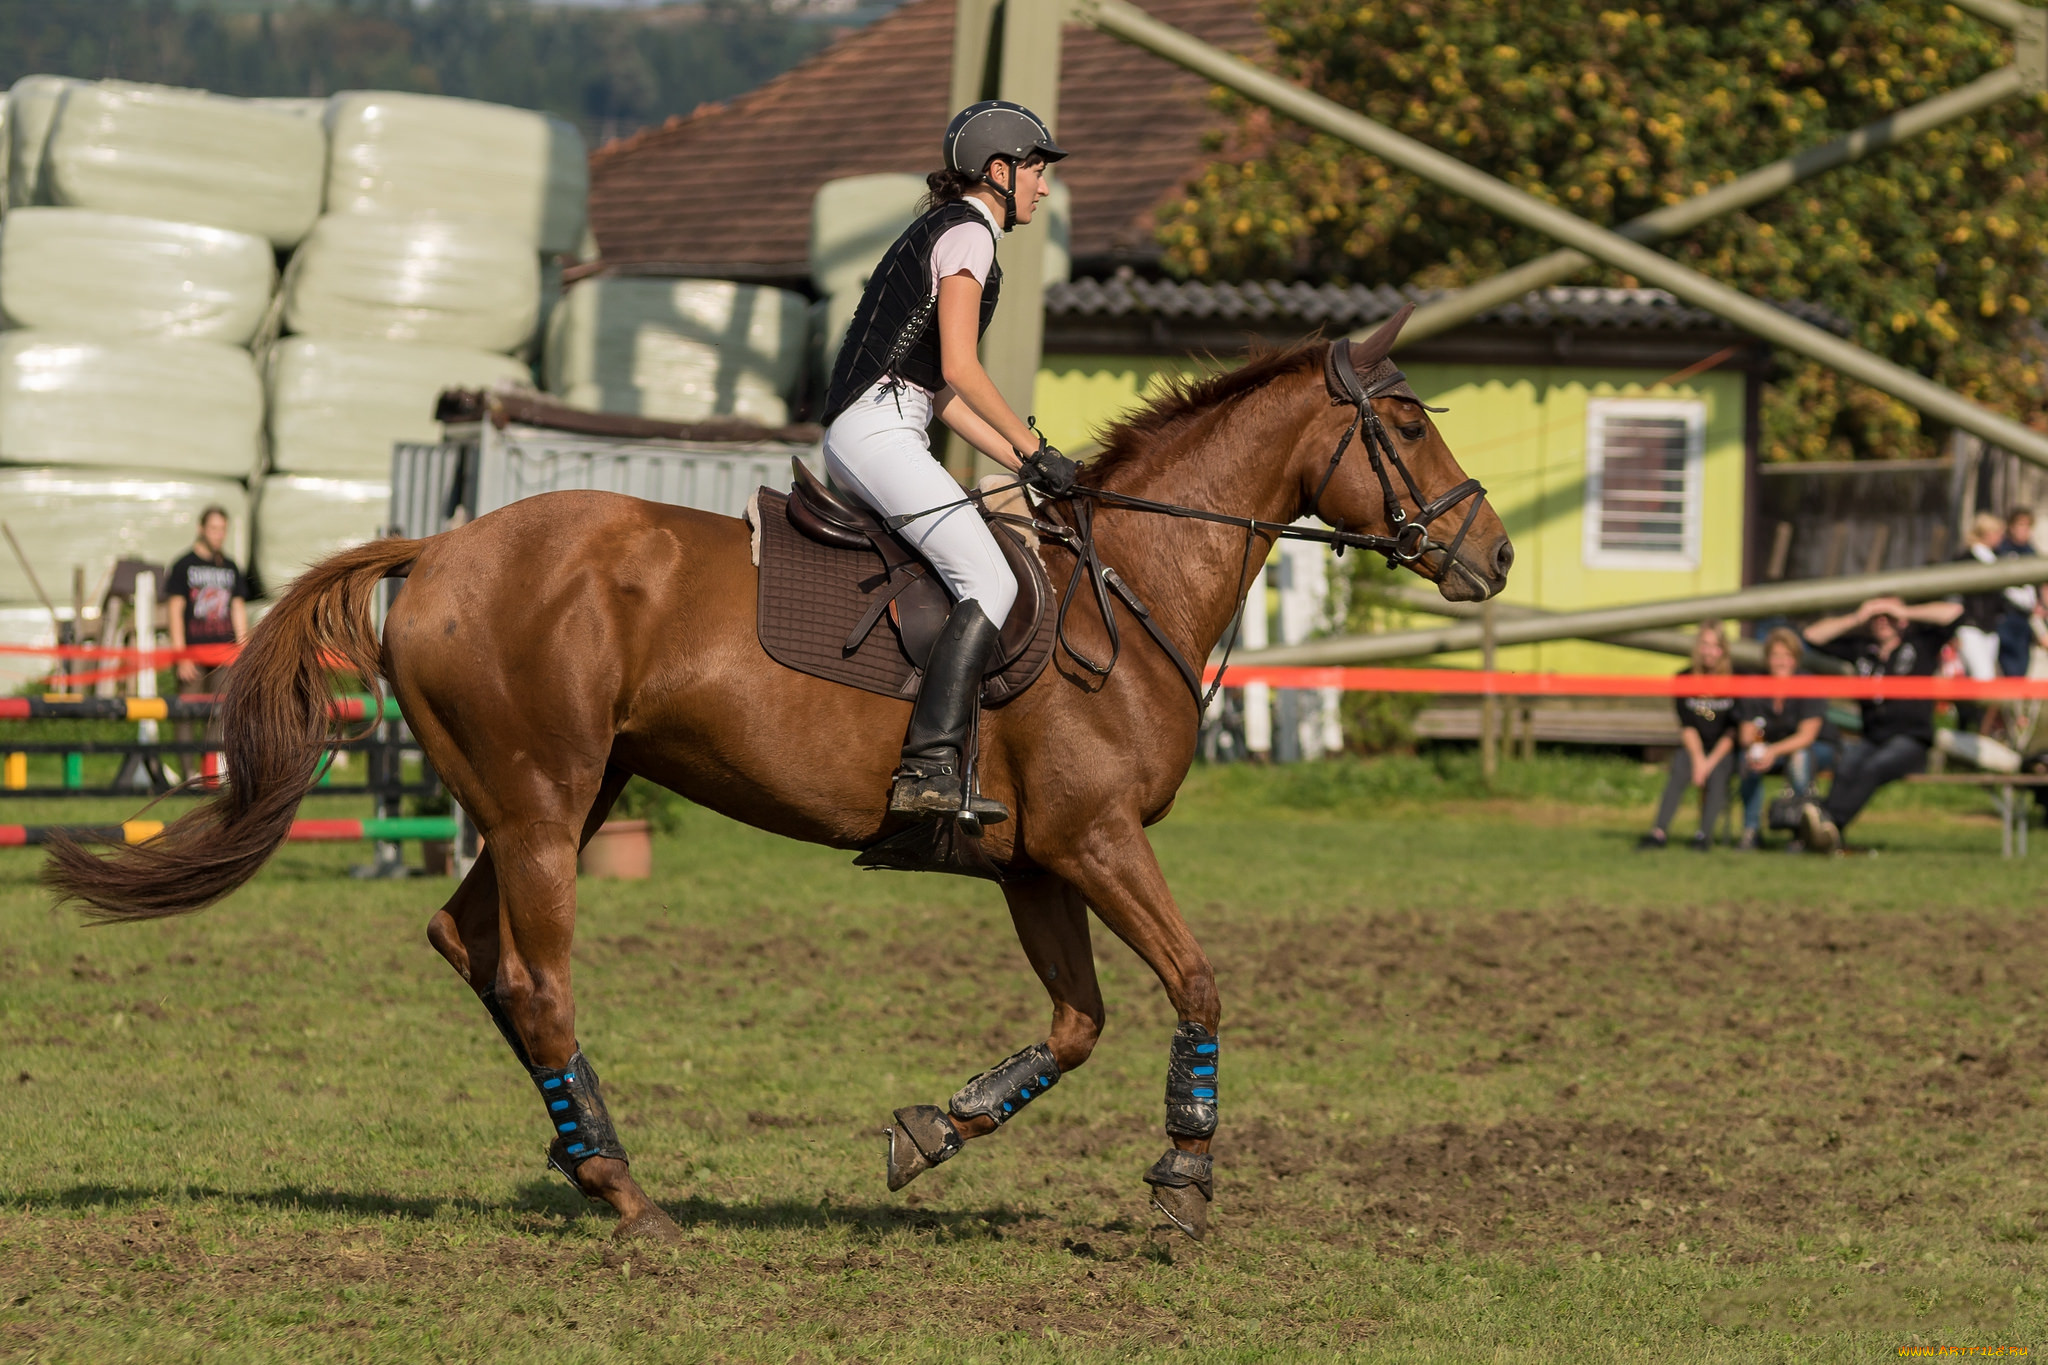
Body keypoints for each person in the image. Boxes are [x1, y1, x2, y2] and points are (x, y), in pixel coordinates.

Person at [821, 100, 1075, 828]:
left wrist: (1025, 463)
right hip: (878, 431)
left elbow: (938, 389)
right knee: (990, 577)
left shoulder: (950, 231)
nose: (1043, 189)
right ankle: (928, 768)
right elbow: (962, 368)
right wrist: (1033, 447)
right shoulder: (969, 234)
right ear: (999, 172)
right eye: (1036, 171)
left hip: (888, 423)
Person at [1798, 595, 1963, 851]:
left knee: (1873, 768)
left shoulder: (1920, 643)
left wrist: (1904, 610)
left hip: (1912, 740)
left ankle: (1828, 824)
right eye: (1878, 617)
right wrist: (1857, 616)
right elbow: (1811, 636)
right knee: (1846, 768)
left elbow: (1954, 612)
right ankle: (1825, 832)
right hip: (1873, 737)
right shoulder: (1863, 649)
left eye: (1889, 616)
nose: (1883, 620)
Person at [1640, 621, 1738, 851]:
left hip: (1723, 748)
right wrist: (1698, 761)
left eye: (1715, 645)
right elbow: (1687, 726)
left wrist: (1709, 763)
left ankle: (1704, 836)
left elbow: (1732, 731)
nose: (1709, 651)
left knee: (1719, 771)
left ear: (1723, 649)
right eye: (1704, 644)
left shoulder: (1736, 680)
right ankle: (1658, 832)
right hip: (1694, 746)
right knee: (1680, 766)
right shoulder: (1683, 679)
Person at [1734, 627, 1834, 850]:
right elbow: (1745, 735)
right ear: (1767, 658)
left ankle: (1800, 832)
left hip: (1816, 749)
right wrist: (1757, 750)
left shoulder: (1808, 685)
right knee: (1747, 759)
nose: (1781, 662)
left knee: (1800, 757)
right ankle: (1751, 831)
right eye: (1776, 655)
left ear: (1796, 659)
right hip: (1773, 751)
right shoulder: (1755, 685)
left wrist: (1773, 751)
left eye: (1787, 656)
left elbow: (1806, 737)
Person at [165, 504, 250, 692]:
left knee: (221, 715)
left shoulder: (231, 567)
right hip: (193, 654)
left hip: (225, 656)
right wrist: (181, 655)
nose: (218, 535)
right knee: (186, 714)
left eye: (222, 530)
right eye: (213, 529)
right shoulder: (183, 565)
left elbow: (237, 609)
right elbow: (174, 611)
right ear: (201, 529)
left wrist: (243, 650)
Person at [1995, 507, 2038, 678]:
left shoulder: (2031, 552)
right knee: (2008, 668)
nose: (2023, 530)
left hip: (2025, 620)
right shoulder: (2001, 551)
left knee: (2021, 669)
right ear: (2011, 527)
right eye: (2020, 525)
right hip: (2006, 616)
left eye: (2027, 526)